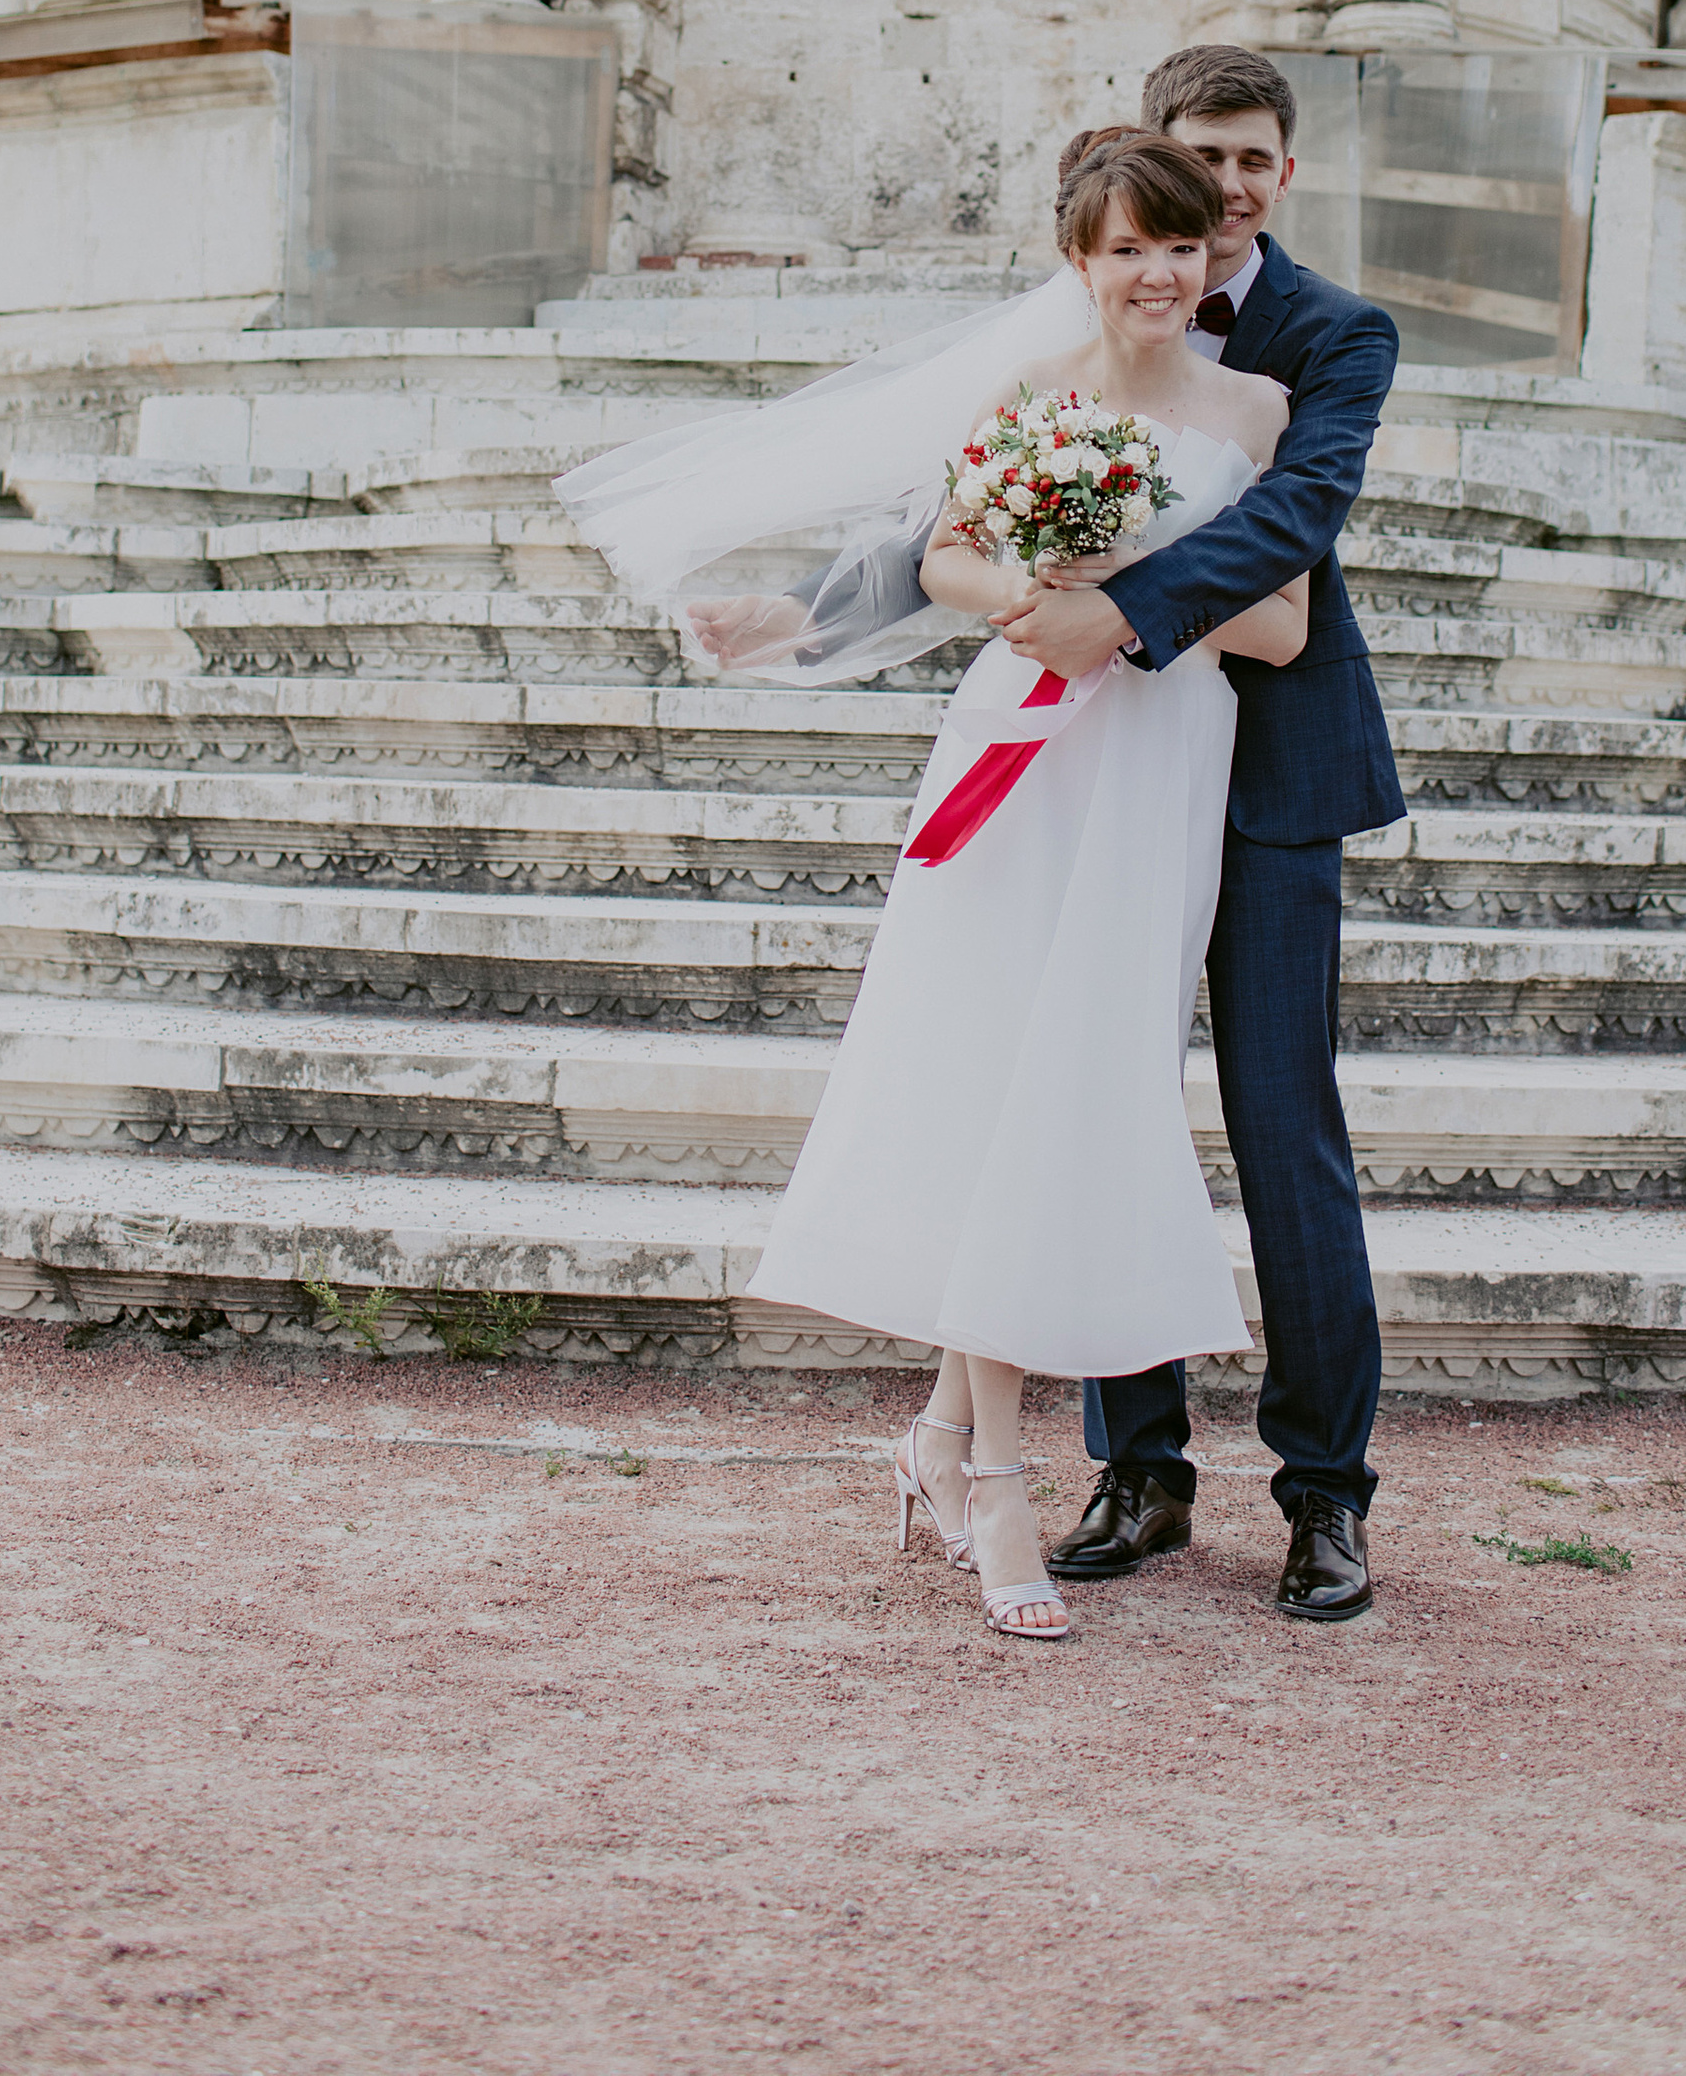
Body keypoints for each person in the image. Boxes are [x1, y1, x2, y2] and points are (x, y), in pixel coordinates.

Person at [560, 126, 1313, 1640]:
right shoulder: (1036, 404)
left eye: (1178, 248)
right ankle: (997, 1482)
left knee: (1081, 1090)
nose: (1158, 274)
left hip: (1157, 762)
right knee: (994, 1084)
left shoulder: (1258, 405)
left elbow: (1283, 625)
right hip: (1018, 754)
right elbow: (949, 564)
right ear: (1080, 262)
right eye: (1127, 251)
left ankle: (945, 1441)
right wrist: (1046, 593)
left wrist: (1132, 609)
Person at [998, 44, 1402, 1624]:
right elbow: (971, 495)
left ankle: (1326, 1497)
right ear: (1141, 163)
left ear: (1284, 173)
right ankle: (1141, 1468)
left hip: (1279, 775)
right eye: (1197, 158)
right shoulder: (1086, 319)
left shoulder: (1337, 334)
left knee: (1285, 1132)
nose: (1223, 190)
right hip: (1113, 772)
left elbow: (1296, 523)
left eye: (1250, 161)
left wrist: (1120, 614)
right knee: (1106, 1100)